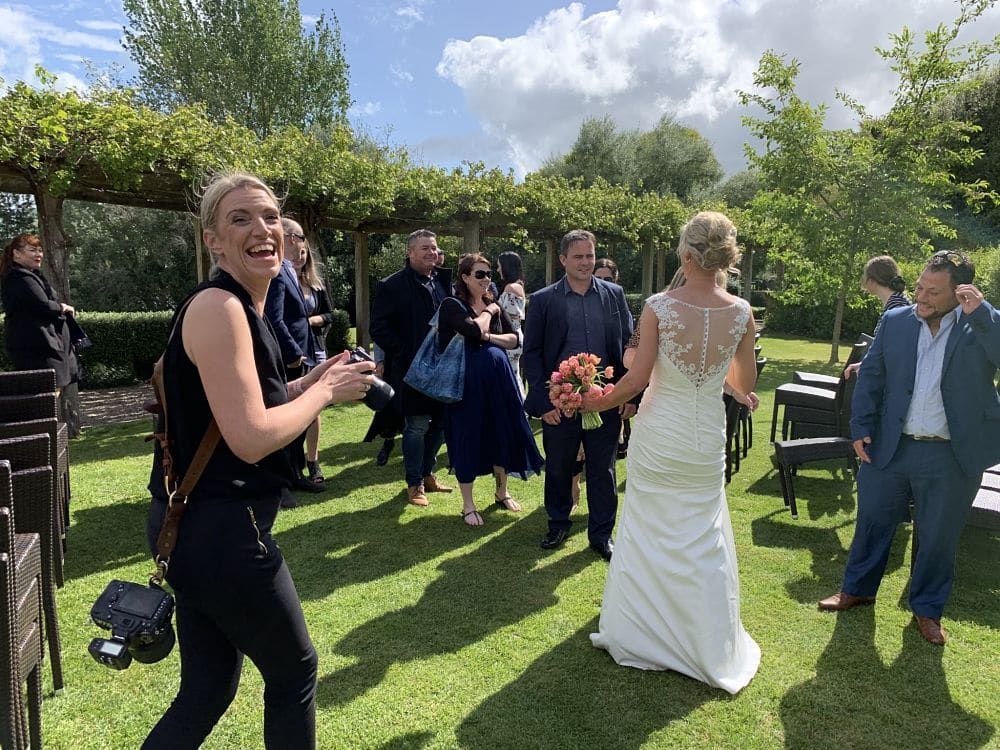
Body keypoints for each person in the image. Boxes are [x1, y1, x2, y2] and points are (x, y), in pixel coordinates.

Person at [142, 173, 375, 748]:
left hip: (193, 526)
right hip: (223, 532)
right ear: (213, 240)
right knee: (294, 671)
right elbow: (249, 437)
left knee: (208, 688)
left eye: (270, 217)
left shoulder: (240, 307)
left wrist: (312, 379)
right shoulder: (220, 307)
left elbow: (240, 412)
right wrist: (325, 395)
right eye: (241, 219)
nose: (262, 230)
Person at [583, 211, 760, 694]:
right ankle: (705, 640)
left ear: (685, 255)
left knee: (648, 527)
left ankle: (644, 632)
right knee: (702, 534)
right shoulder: (742, 312)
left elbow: (637, 380)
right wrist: (730, 382)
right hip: (705, 437)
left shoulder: (660, 306)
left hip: (662, 433)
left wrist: (596, 400)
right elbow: (742, 382)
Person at [818, 250, 1000, 646]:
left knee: (938, 536)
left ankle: (927, 610)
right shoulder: (896, 320)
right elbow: (873, 375)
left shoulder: (980, 324)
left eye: (933, 292)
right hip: (891, 446)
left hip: (951, 455)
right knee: (872, 522)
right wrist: (862, 426)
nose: (921, 297)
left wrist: (983, 314)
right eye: (919, 286)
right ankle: (858, 589)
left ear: (961, 292)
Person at [522, 229, 635, 561]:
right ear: (563, 260)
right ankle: (558, 523)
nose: (586, 262)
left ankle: (601, 535)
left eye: (590, 255)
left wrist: (629, 396)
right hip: (561, 402)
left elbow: (629, 347)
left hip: (607, 398)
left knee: (603, 469)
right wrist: (543, 404)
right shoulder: (542, 300)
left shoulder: (614, 294)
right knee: (558, 466)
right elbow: (532, 354)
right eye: (578, 257)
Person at [438, 254, 544, 525]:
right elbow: (472, 331)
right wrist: (489, 313)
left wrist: (488, 333)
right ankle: (468, 504)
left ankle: (502, 492)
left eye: (488, 274)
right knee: (468, 435)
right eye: (480, 274)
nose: (487, 279)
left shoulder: (493, 303)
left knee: (502, 432)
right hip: (465, 384)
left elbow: (513, 339)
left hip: (499, 381)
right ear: (464, 277)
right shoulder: (452, 305)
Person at [370, 229, 455, 507]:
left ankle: (428, 473)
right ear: (409, 252)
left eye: (433, 247)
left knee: (442, 423)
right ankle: (414, 483)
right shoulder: (391, 285)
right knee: (416, 425)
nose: (431, 252)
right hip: (411, 370)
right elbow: (378, 328)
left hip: (443, 367)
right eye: (424, 248)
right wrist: (404, 352)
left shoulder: (443, 282)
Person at [264, 218, 322, 501]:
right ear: (287, 238)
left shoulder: (289, 269)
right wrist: (293, 355)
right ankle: (281, 485)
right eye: (299, 236)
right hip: (289, 360)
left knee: (300, 423)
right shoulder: (276, 272)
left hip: (302, 354)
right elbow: (274, 319)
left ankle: (296, 475)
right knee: (285, 422)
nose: (302, 241)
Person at [0, 233, 81, 434]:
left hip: (47, 344)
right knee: (43, 394)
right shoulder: (17, 277)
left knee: (55, 389)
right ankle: (39, 436)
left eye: (40, 250)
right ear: (17, 254)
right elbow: (40, 304)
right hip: (36, 347)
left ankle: (46, 436)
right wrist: (62, 307)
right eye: (32, 250)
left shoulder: (33, 275)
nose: (39, 254)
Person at [294, 233, 335, 485]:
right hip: (292, 353)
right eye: (295, 252)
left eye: (303, 253)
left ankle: (313, 460)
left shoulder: (316, 285)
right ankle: (293, 464)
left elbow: (330, 314)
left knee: (313, 408)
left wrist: (309, 321)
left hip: (315, 350)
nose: (299, 257)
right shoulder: (275, 282)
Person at [844, 254, 911, 379]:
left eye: (865, 276)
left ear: (872, 280)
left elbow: (894, 351)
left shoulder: (897, 307)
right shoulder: (896, 301)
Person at [496, 251, 526, 398]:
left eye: (499, 266)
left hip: (510, 338)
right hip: (514, 337)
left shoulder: (511, 288)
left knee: (510, 377)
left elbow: (506, 316)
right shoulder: (517, 286)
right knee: (514, 375)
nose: (498, 270)